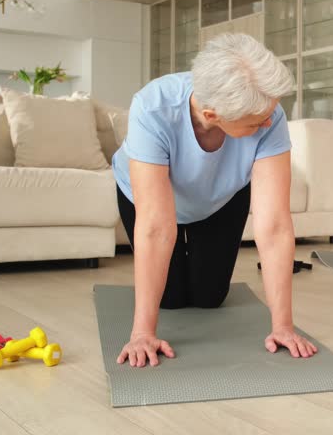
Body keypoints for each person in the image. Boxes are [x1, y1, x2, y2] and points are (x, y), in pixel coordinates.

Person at [111, 33, 317, 367]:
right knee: (172, 298)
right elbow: (155, 228)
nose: (268, 122)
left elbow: (275, 224)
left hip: (221, 196)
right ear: (212, 114)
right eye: (255, 121)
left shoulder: (269, 115)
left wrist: (283, 327)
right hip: (152, 200)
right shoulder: (153, 108)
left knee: (209, 298)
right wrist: (142, 333)